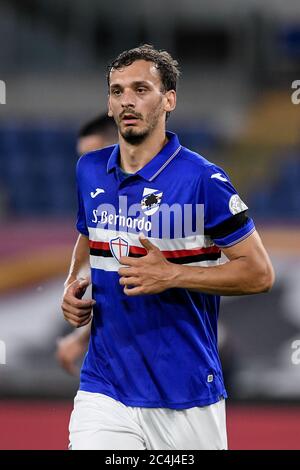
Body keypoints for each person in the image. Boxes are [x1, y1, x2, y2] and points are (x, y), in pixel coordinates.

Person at [62, 44, 275, 450]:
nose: (127, 100)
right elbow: (88, 233)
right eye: (117, 90)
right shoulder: (89, 169)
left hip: (186, 393)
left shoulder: (202, 180)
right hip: (105, 387)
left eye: (141, 89)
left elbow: (260, 273)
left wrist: (173, 274)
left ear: (169, 100)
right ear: (109, 104)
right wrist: (74, 280)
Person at [56, 114, 117, 375]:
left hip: (195, 343)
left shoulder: (161, 198)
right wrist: (71, 283)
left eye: (95, 154)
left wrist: (80, 340)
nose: (89, 166)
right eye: (83, 157)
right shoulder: (103, 209)